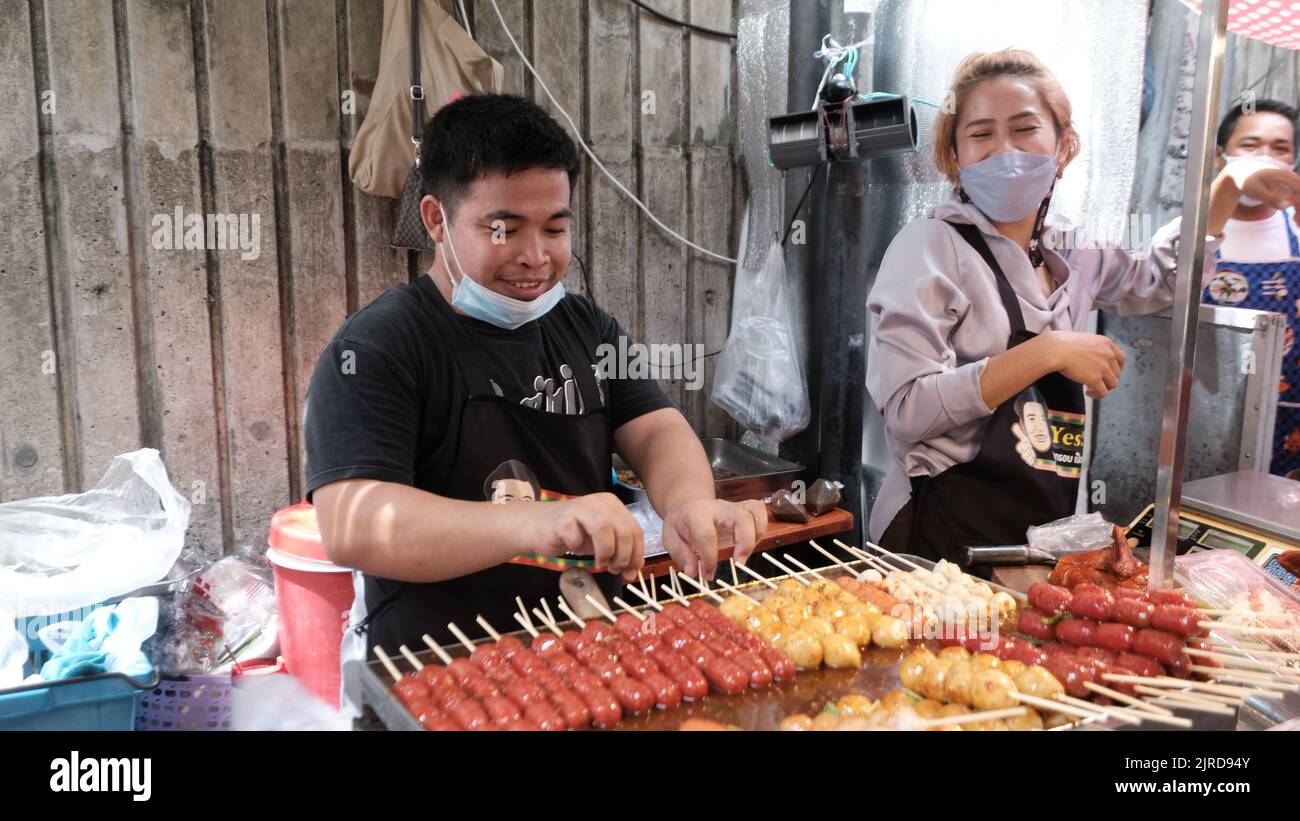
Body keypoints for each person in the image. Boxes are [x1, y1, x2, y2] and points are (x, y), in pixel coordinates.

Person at [303, 94, 768, 666]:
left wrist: (688, 503)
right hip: (442, 672)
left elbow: (656, 431)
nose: (536, 257)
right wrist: (531, 522)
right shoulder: (377, 348)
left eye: (554, 228)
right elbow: (355, 523)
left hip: (589, 651)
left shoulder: (584, 325)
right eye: (505, 228)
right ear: (436, 221)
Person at [865, 49, 1300, 565]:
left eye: (1025, 129)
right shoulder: (929, 246)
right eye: (981, 134)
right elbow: (907, 410)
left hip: (1036, 531)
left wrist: (1226, 189)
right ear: (954, 156)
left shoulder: (1071, 251)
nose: (1005, 150)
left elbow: (1162, 281)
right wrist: (1047, 351)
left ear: (1063, 146)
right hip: (932, 527)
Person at [1200, 99, 1300, 479]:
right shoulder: (1187, 233)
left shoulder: (1297, 234)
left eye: (1280, 149)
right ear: (1220, 158)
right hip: (1208, 420)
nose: (1265, 158)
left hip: (1289, 420)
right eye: (1250, 145)